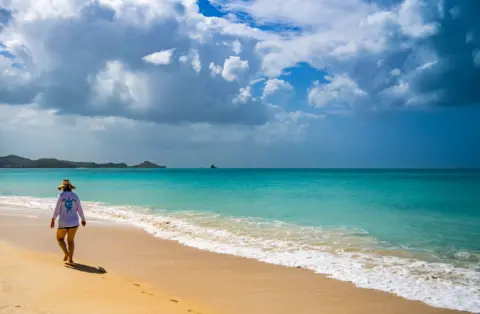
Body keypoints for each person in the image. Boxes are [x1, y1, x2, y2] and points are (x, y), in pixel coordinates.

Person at [50, 179, 86, 263]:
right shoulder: (75, 196)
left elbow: (57, 209)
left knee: (59, 239)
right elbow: (79, 209)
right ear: (71, 187)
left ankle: (66, 253)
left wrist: (53, 219)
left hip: (63, 222)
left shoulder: (61, 196)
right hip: (74, 222)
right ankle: (70, 259)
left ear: (62, 187)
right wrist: (83, 219)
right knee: (71, 241)